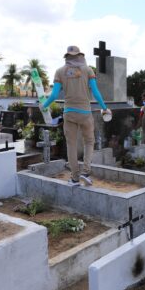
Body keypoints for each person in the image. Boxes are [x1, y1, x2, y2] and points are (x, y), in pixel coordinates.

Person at [43, 45, 110, 186]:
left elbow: (54, 94)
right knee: (89, 142)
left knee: (71, 145)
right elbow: (96, 93)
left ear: (67, 56)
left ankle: (74, 177)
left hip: (69, 113)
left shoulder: (60, 71)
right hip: (85, 113)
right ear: (80, 55)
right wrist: (104, 108)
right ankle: (86, 171)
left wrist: (44, 105)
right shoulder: (88, 70)